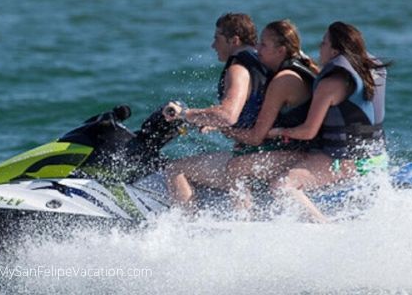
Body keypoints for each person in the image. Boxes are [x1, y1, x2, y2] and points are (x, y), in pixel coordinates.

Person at [229, 21, 390, 223]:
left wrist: (278, 132)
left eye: (324, 43)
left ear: (334, 51)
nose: (319, 47)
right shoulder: (370, 70)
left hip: (349, 162)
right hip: (376, 157)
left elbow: (307, 132)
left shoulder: (330, 85)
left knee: (282, 186)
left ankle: (323, 227)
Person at [161, 12, 270, 208]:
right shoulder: (260, 61)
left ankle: (187, 229)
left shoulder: (238, 68)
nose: (213, 46)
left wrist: (185, 113)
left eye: (217, 38)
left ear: (234, 40)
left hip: (253, 157)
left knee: (175, 170)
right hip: (267, 152)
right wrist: (210, 123)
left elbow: (228, 115)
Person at [218, 20, 320, 213]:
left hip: (302, 153)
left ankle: (243, 221)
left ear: (280, 51)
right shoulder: (295, 68)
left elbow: (256, 137)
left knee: (236, 166)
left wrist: (223, 129)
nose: (257, 48)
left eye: (263, 44)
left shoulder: (283, 81)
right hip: (302, 148)